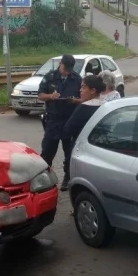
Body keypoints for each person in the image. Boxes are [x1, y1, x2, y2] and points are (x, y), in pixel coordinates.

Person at [37, 54, 82, 191]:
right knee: (47, 152)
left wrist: (76, 100)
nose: (67, 71)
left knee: (70, 153)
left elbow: (83, 98)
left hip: (69, 120)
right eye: (65, 68)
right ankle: (44, 180)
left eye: (69, 69)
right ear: (60, 64)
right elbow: (40, 95)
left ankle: (67, 178)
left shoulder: (77, 79)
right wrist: (51, 96)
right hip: (53, 120)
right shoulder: (50, 77)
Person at [63, 76, 106, 187]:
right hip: (103, 148)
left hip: (83, 149)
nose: (80, 90)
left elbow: (67, 130)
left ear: (92, 90)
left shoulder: (83, 108)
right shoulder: (106, 105)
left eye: (83, 87)